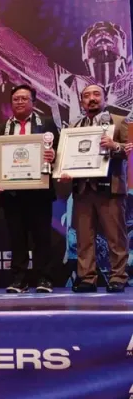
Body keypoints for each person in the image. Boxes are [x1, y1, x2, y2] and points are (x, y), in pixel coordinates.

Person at [0, 85, 59, 293]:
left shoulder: (46, 124)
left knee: (42, 237)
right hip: (12, 193)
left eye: (24, 98)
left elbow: (59, 149)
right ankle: (19, 279)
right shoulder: (1, 128)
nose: (19, 102)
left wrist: (54, 155)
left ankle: (44, 278)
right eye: (16, 99)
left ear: (33, 102)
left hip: (39, 191)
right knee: (17, 238)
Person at [59, 84, 128, 293]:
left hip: (110, 188)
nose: (92, 98)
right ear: (82, 101)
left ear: (105, 98)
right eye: (87, 96)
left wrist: (115, 146)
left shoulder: (119, 122)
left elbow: (128, 150)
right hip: (83, 189)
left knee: (115, 237)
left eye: (97, 94)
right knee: (84, 238)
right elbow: (66, 155)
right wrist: (63, 170)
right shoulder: (74, 126)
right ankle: (87, 277)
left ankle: (118, 276)